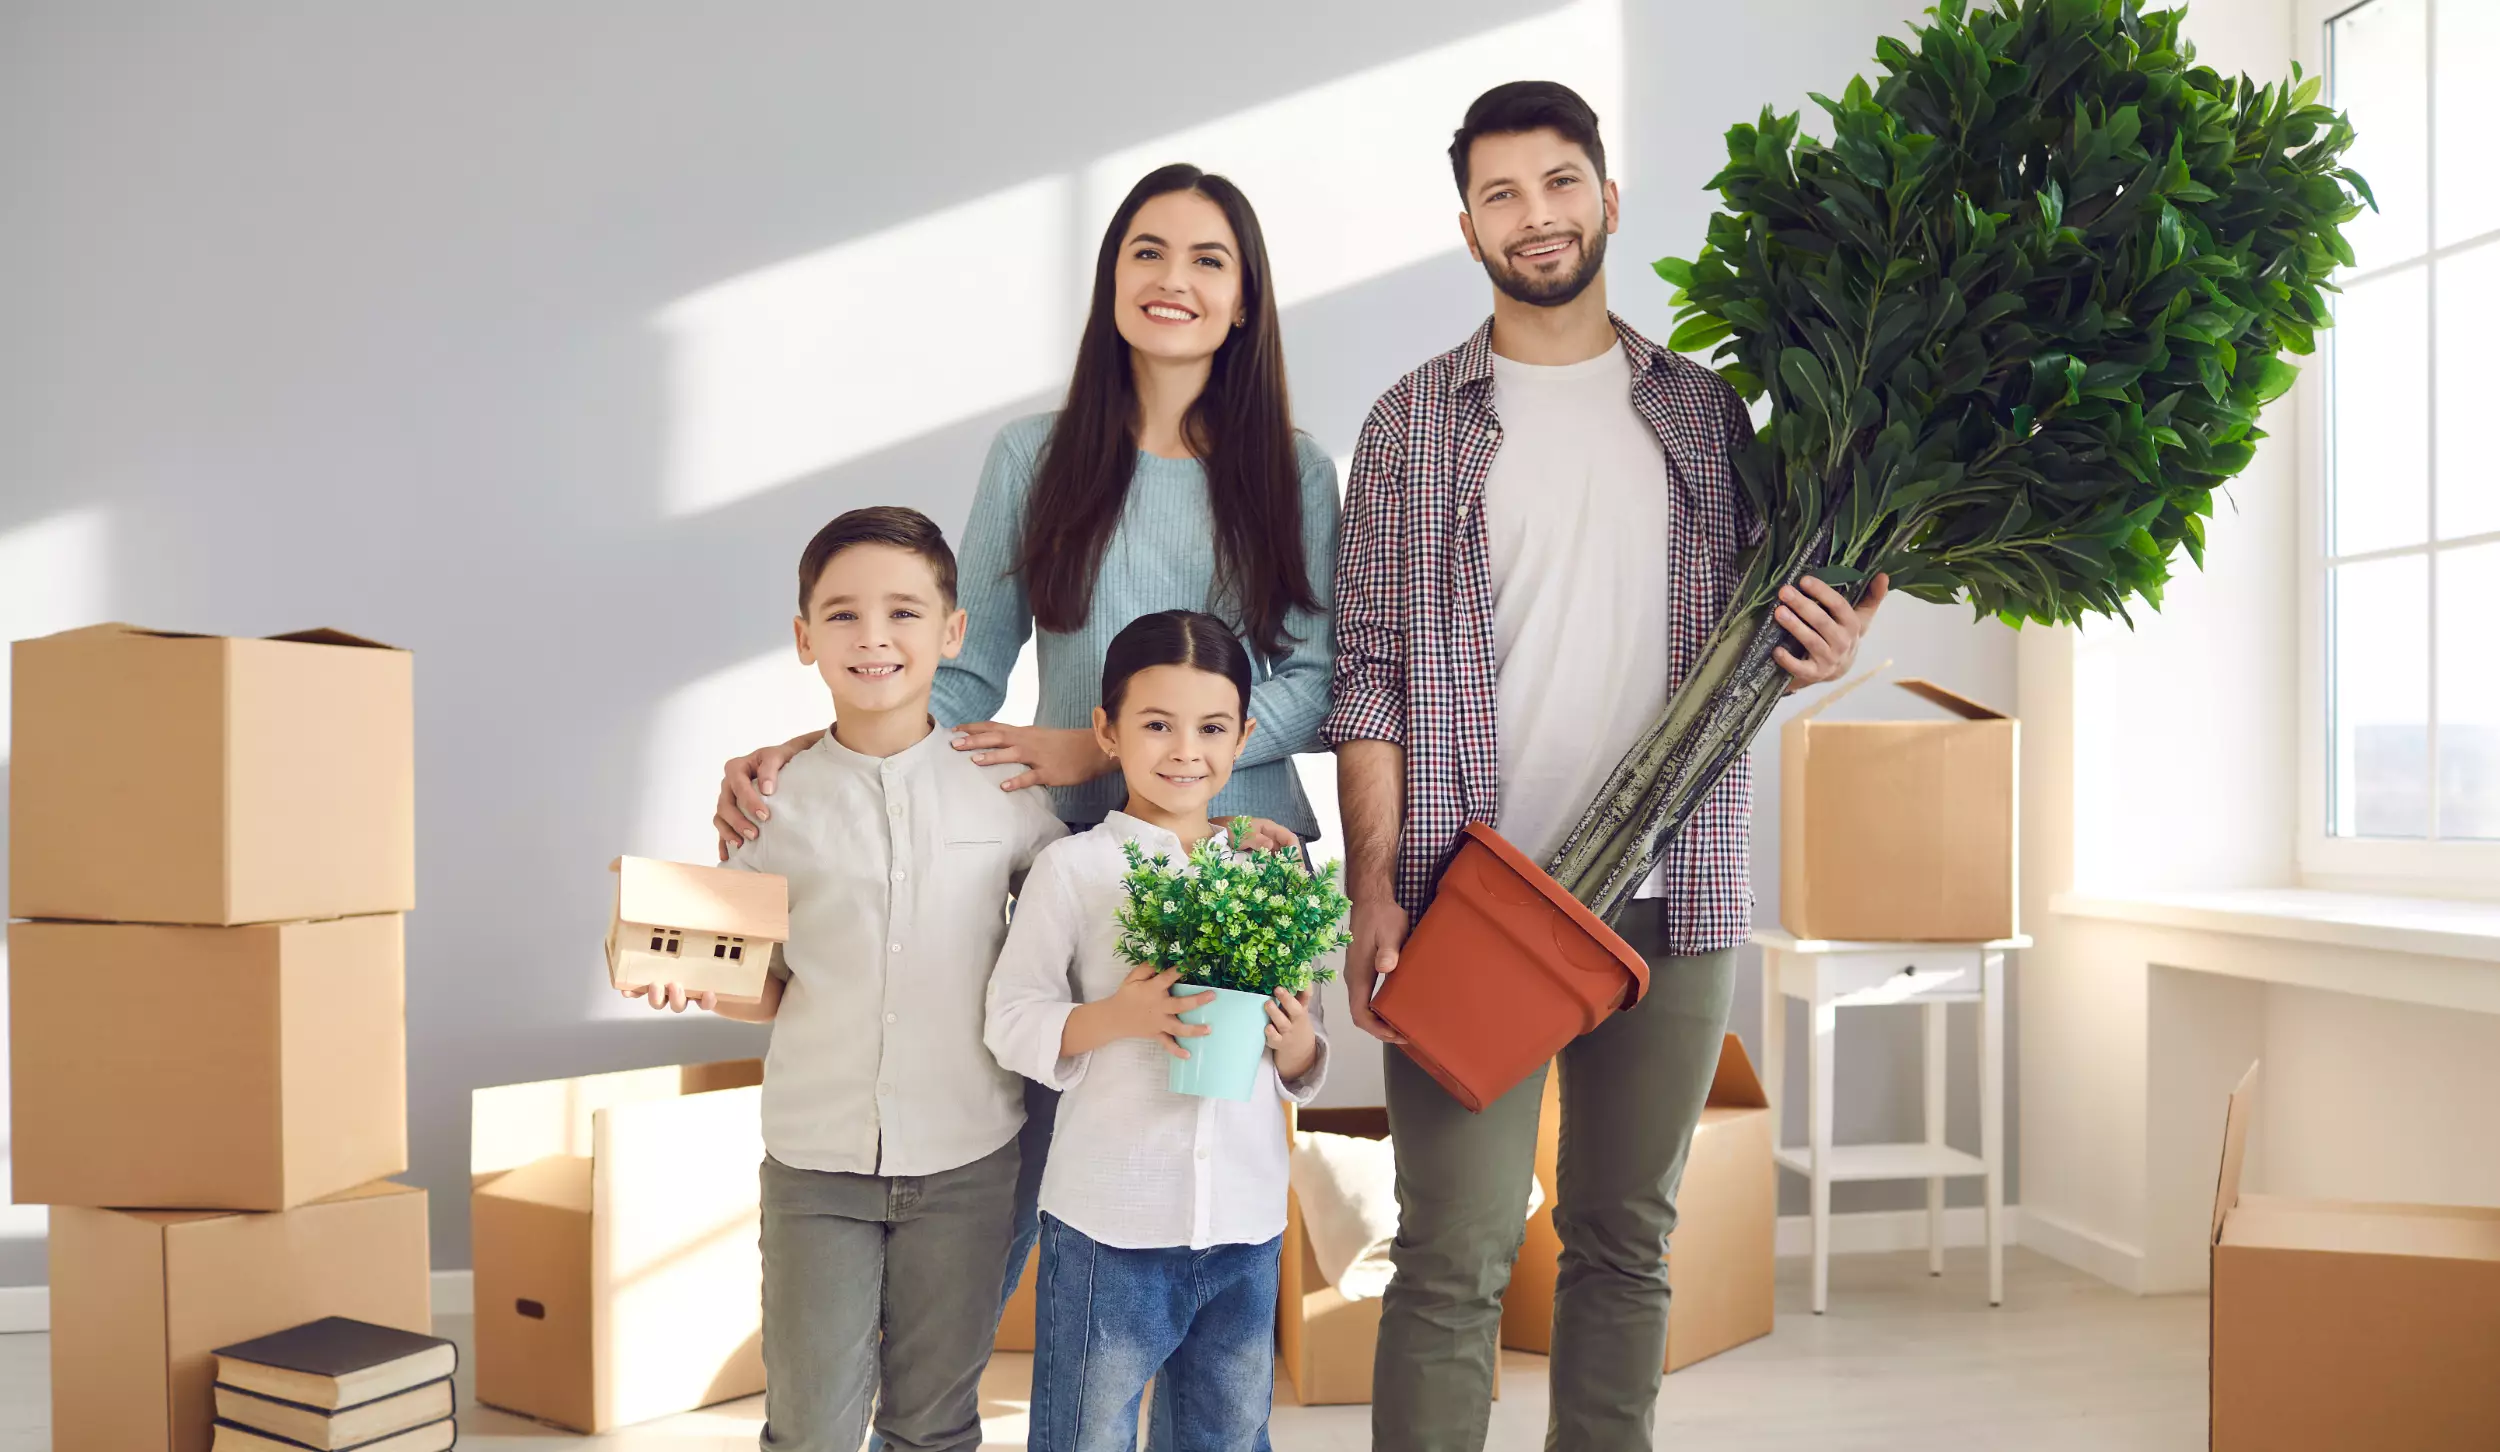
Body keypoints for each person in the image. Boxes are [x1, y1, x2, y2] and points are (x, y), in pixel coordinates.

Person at [710, 162, 1338, 1447]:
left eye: (1208, 259)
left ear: (1244, 297)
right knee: (1014, 1193)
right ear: (1112, 284)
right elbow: (959, 662)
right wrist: (819, 744)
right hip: (1069, 866)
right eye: (1147, 253)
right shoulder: (1035, 457)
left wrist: (1100, 745)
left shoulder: (1292, 467)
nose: (1174, 280)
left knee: (1198, 1211)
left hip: (1230, 865)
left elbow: (1318, 678)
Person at [1326, 83, 1889, 1451]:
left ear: (1609, 199)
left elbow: (1784, 632)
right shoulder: (1410, 423)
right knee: (1450, 1260)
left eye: (1561, 182)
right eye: (1504, 195)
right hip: (1473, 897)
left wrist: (1838, 639)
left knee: (1627, 1246)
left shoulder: (1706, 420)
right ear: (1467, 227)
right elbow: (1367, 673)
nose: (1538, 217)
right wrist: (1373, 884)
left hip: (1675, 897)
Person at [632, 506, 1065, 1452]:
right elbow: (769, 988)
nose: (874, 637)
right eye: (842, 615)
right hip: (815, 1161)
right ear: (803, 639)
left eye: (905, 613)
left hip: (968, 1158)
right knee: (810, 1428)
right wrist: (704, 983)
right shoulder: (771, 806)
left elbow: (1076, 932)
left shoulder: (1006, 789)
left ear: (952, 634)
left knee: (934, 1423)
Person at [984, 610, 1328, 1452]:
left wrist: (1296, 1045)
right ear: (1107, 731)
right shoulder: (1075, 869)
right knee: (1083, 1437)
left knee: (1228, 1437)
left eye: (1211, 728)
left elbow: (1307, 1046)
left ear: (1245, 734)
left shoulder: (1269, 868)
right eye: (1156, 725)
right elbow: (1010, 1020)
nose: (1185, 750)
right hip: (1111, 1224)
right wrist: (1116, 1018)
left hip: (1244, 1220)